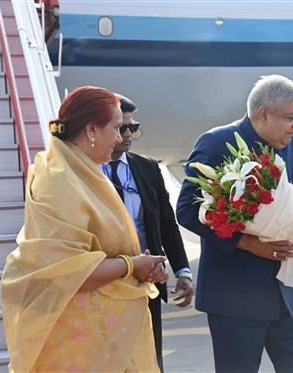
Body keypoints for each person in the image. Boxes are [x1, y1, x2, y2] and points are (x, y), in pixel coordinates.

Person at [0, 86, 166, 372]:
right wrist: (131, 265)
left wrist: (142, 267)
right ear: (91, 130)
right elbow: (70, 271)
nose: (119, 138)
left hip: (104, 332)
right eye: (115, 128)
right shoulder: (58, 180)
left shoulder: (82, 171)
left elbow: (101, 251)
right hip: (79, 344)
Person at [176, 75, 293, 373]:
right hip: (235, 300)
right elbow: (187, 210)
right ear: (263, 114)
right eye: (290, 117)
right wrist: (246, 243)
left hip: (287, 296)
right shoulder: (216, 143)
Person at [103, 94, 194, 371]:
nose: (128, 133)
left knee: (150, 359)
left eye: (133, 126)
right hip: (106, 284)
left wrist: (183, 272)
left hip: (148, 283)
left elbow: (167, 224)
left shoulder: (147, 168)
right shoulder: (84, 172)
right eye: (121, 127)